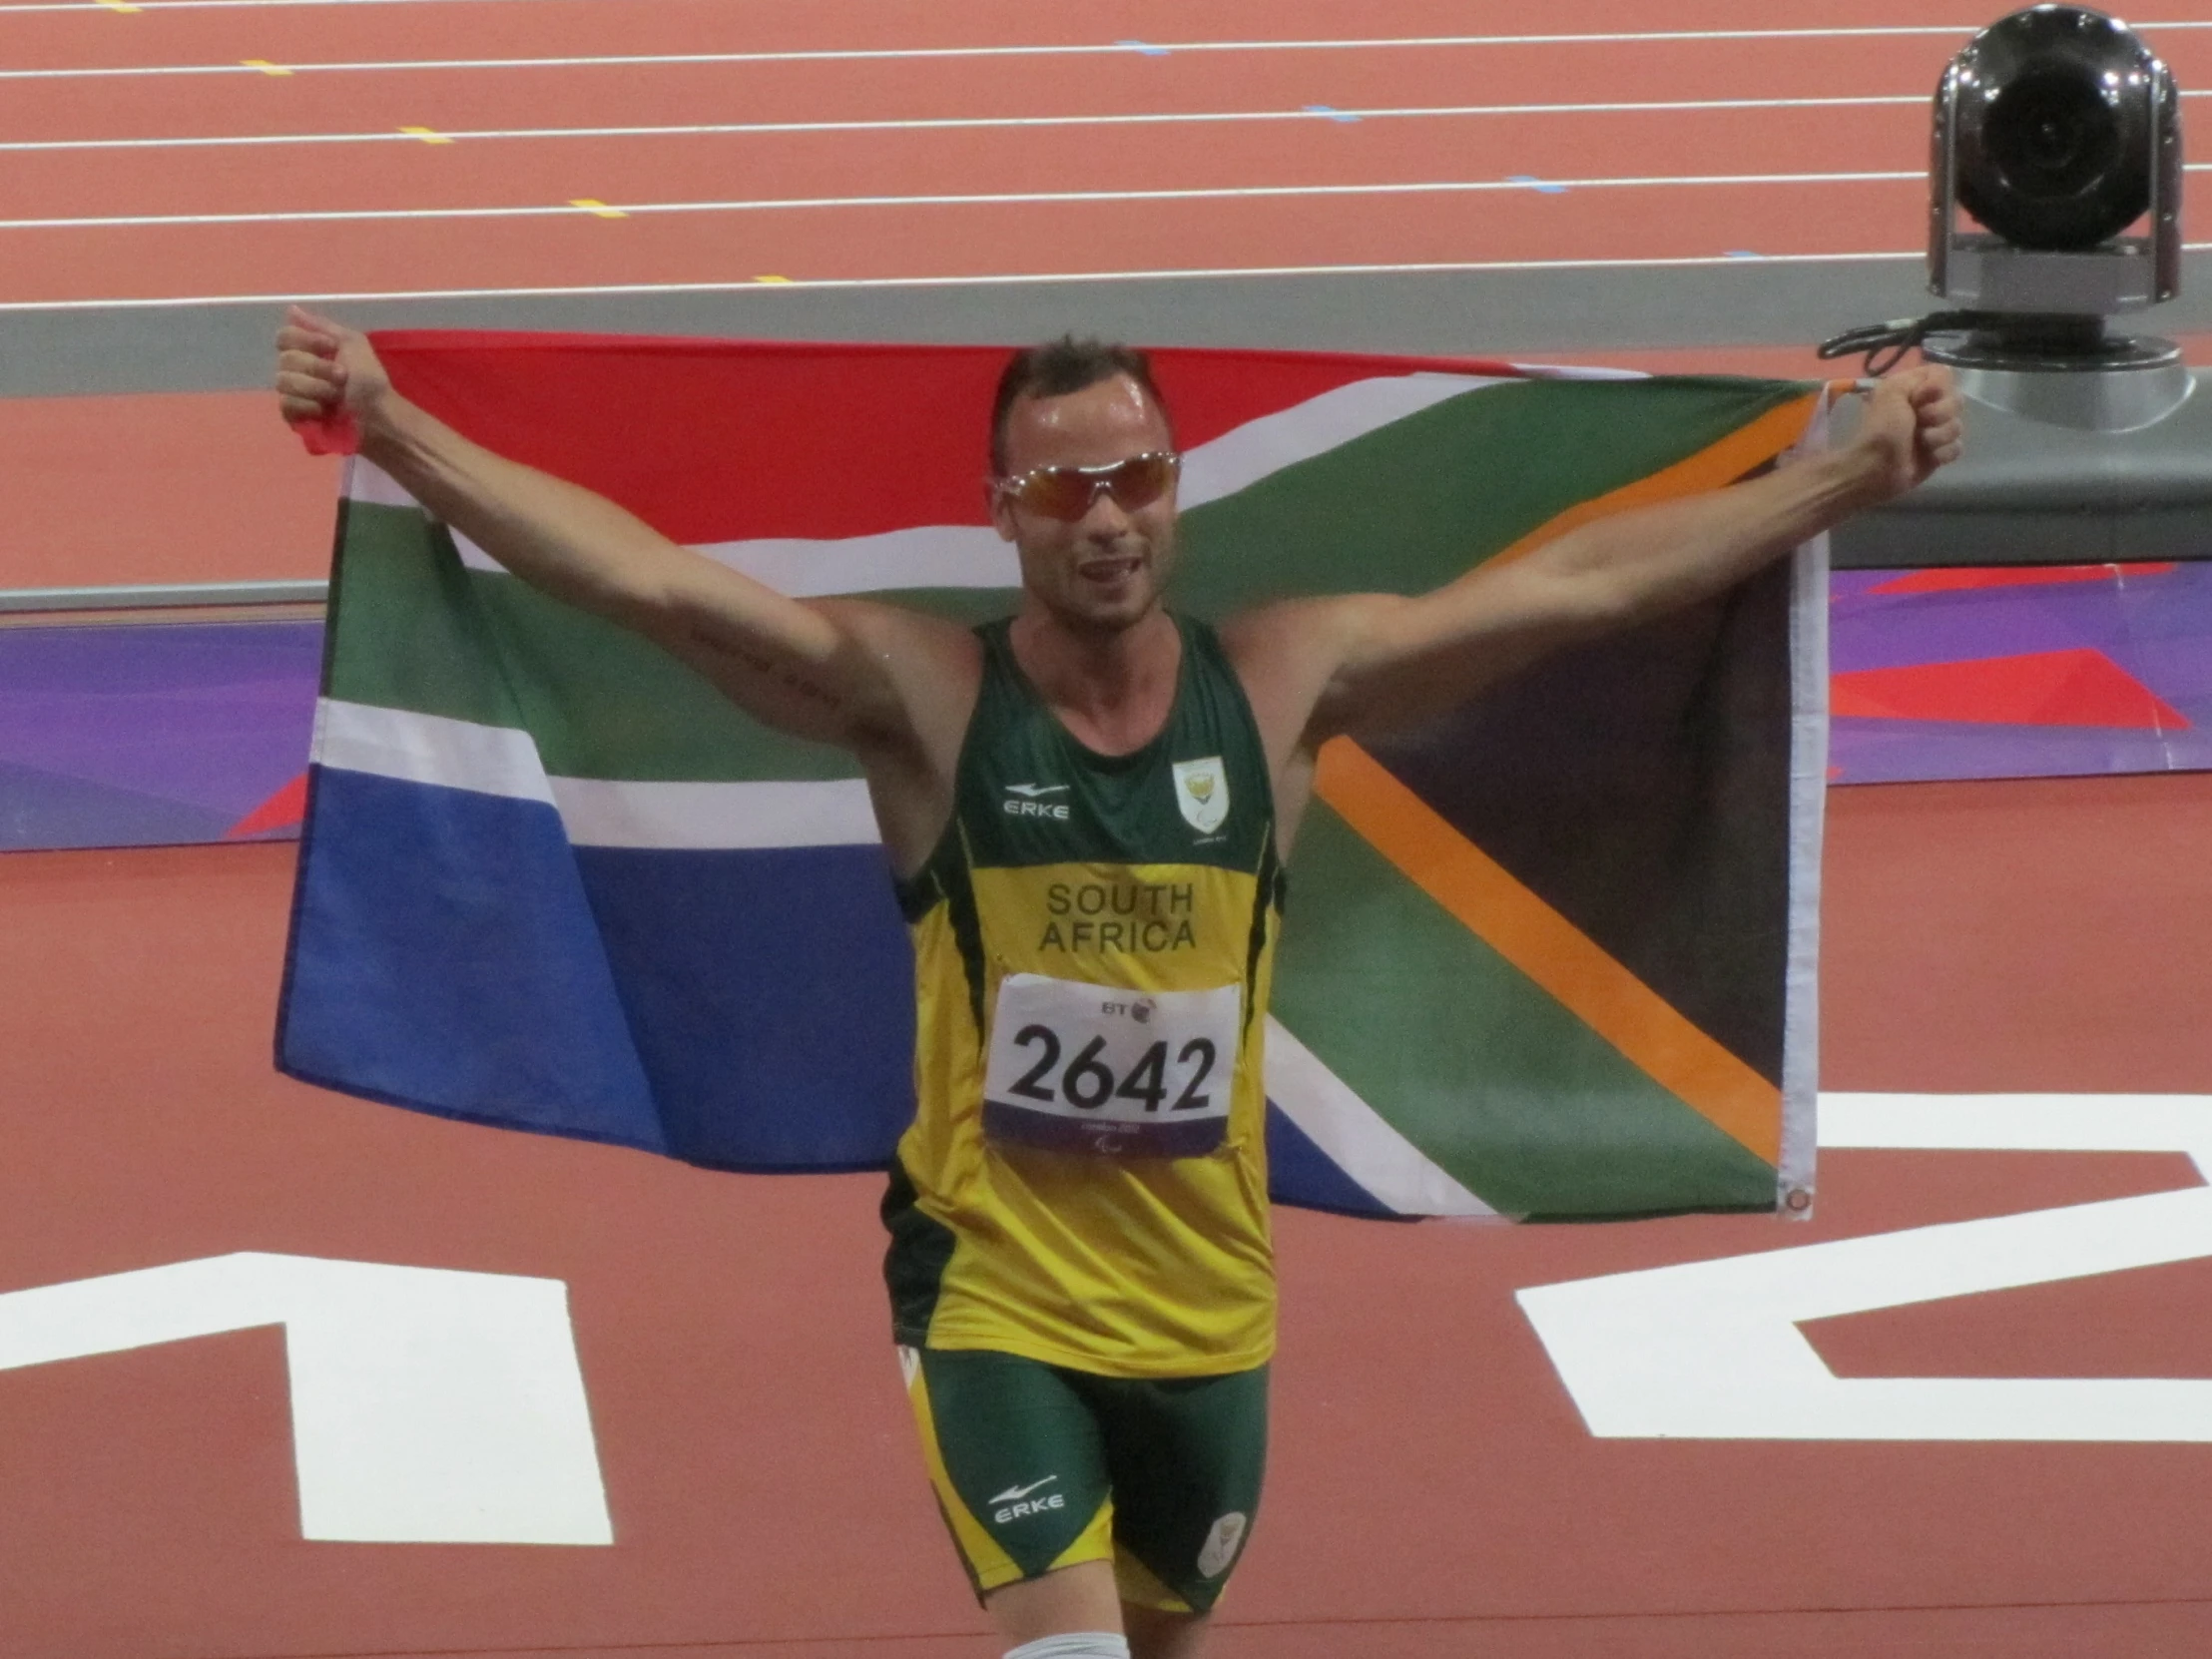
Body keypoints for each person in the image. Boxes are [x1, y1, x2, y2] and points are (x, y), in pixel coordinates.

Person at [276, 310, 1961, 1659]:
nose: (1105, 521)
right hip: (994, 1298)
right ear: (1005, 514)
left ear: (1178, 488)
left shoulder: (1288, 684)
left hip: (1213, 1315)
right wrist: (395, 425)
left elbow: (1579, 586)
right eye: (1063, 493)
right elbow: (647, 583)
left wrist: (1845, 480)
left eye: (1134, 480)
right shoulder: (928, 701)